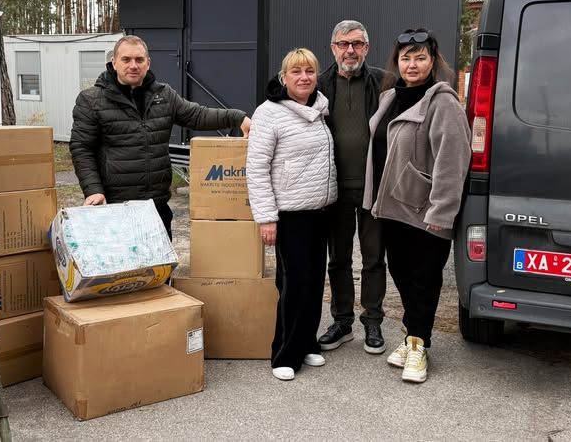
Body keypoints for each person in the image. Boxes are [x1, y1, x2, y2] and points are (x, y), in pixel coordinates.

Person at [362, 29, 471, 383]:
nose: (412, 64)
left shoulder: (443, 102)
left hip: (426, 211)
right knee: (403, 277)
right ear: (397, 61)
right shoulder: (390, 97)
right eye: (406, 58)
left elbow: (453, 163)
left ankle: (419, 345)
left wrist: (442, 212)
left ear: (432, 62)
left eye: (420, 57)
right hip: (393, 207)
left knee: (424, 281)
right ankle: (412, 337)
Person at [69, 35, 251, 239]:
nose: (133, 65)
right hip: (114, 207)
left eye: (139, 60)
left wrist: (237, 117)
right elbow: (81, 148)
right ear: (114, 62)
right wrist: (93, 190)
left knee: (161, 270)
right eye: (126, 59)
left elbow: (197, 115)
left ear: (148, 63)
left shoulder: (164, 96)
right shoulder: (91, 100)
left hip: (156, 206)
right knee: (124, 270)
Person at [247, 48, 338, 381]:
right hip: (290, 214)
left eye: (310, 72)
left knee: (314, 281)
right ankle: (284, 352)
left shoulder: (320, 108)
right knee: (294, 283)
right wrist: (266, 217)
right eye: (296, 72)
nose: (304, 78)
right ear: (283, 77)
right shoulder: (269, 113)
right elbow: (256, 169)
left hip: (320, 210)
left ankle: (307, 342)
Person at [317, 20, 388, 355]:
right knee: (339, 258)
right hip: (334, 189)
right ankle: (342, 321)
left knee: (374, 258)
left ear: (366, 48)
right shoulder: (318, 86)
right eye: (343, 44)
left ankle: (372, 321)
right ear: (333, 48)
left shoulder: (383, 82)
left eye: (357, 44)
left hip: (374, 187)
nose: (350, 50)